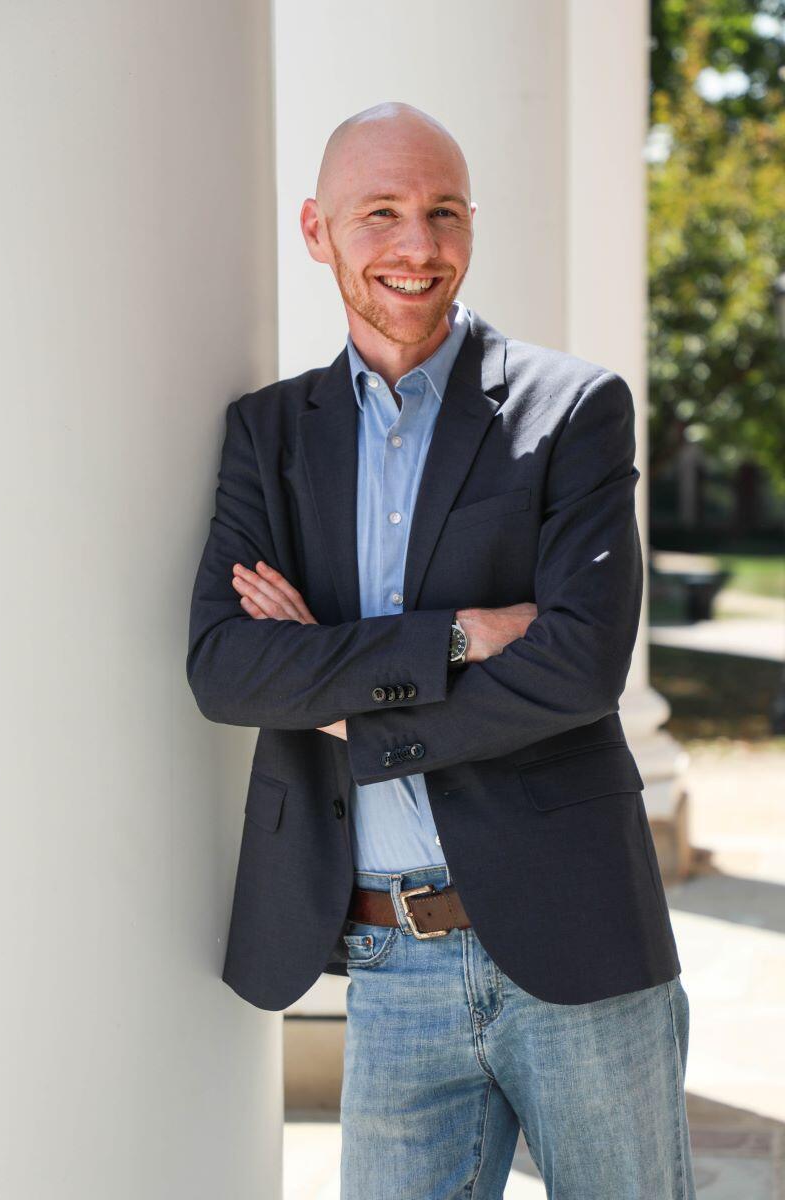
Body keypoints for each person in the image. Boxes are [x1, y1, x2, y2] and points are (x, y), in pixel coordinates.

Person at [187, 100, 696, 1199]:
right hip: (386, 959)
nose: (418, 247)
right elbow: (226, 666)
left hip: (577, 942)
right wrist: (458, 638)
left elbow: (575, 667)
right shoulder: (267, 437)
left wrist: (334, 687)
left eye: (443, 213)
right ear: (317, 230)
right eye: (381, 214)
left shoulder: (571, 411)